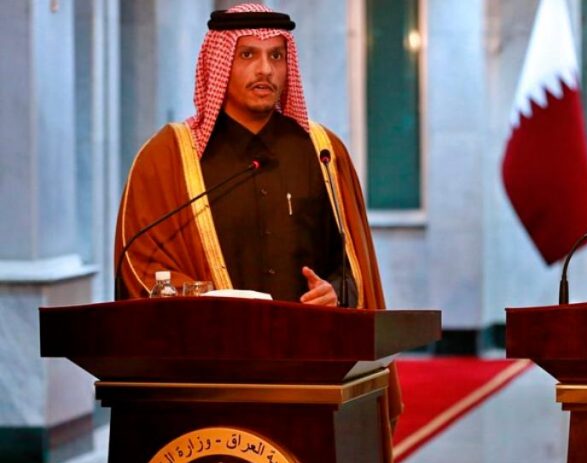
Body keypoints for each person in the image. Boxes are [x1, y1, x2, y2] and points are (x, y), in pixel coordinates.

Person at [114, 3, 402, 426]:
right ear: (218, 63)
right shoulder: (169, 157)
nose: (265, 70)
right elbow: (142, 265)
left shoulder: (322, 152)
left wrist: (335, 294)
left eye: (276, 56)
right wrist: (210, 309)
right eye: (247, 54)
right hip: (206, 378)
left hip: (311, 374)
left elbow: (350, 263)